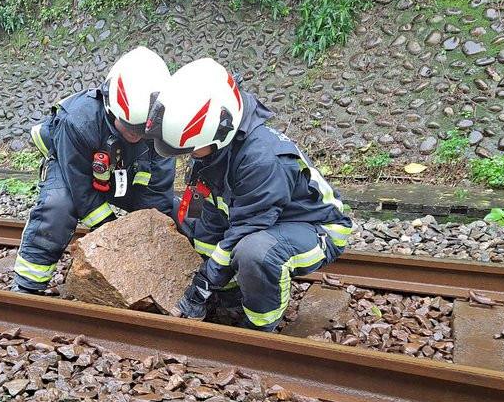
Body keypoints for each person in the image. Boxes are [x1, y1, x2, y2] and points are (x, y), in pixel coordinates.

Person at [144, 57, 353, 332]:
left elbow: (246, 228)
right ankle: (231, 298)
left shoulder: (261, 159)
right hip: (262, 222)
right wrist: (214, 287)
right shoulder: (214, 152)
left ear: (219, 130)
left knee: (255, 252)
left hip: (315, 228)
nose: (190, 155)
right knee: (192, 220)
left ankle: (258, 326)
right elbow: (210, 217)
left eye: (193, 149)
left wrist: (203, 285)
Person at [13, 46, 175, 294]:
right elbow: (81, 189)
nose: (136, 135)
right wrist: (113, 236)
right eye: (129, 127)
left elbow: (157, 193)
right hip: (73, 165)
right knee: (58, 205)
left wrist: (148, 244)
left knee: (176, 213)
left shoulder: (160, 130)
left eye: (142, 130)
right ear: (111, 106)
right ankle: (27, 285)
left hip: (122, 171)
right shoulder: (78, 121)